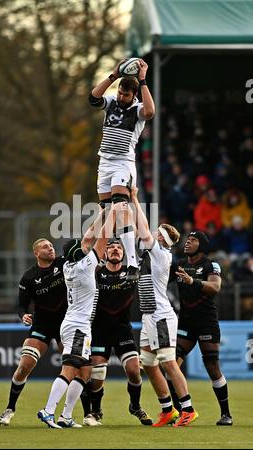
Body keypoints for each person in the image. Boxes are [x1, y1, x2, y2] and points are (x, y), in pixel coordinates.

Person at [37, 204, 118, 428]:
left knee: (85, 371)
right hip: (78, 326)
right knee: (70, 369)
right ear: (79, 253)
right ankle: (48, 410)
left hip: (75, 323)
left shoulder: (69, 265)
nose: (86, 246)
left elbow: (87, 238)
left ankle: (66, 416)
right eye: (82, 247)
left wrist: (102, 211)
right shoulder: (86, 266)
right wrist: (113, 212)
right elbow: (101, 238)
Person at [132, 188, 198, 427]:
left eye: (156, 231)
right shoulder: (158, 251)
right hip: (150, 314)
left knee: (168, 363)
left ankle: (188, 408)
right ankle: (167, 409)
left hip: (160, 315)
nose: (151, 232)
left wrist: (133, 198)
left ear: (161, 238)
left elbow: (140, 225)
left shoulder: (159, 252)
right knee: (148, 364)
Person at [89, 58, 155, 283]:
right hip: (104, 163)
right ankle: (99, 257)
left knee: (120, 205)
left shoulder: (137, 109)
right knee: (107, 212)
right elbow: (93, 98)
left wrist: (143, 80)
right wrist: (114, 75)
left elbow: (150, 111)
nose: (120, 97)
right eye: (120, 93)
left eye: (125, 95)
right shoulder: (111, 102)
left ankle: (133, 263)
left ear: (133, 95)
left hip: (122, 163)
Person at [80, 239, 152, 427]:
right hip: (99, 329)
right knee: (96, 377)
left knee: (134, 371)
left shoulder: (131, 274)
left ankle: (135, 406)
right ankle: (95, 411)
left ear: (124, 253)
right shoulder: (96, 273)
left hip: (122, 329)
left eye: (119, 247)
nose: (115, 249)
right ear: (104, 253)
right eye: (110, 247)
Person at [0, 238, 67, 426]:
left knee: (76, 367)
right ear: (36, 253)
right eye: (45, 247)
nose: (50, 248)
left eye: (51, 246)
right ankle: (10, 408)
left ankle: (82, 414)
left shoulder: (63, 263)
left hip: (66, 323)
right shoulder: (29, 277)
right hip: (42, 324)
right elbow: (21, 305)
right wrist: (23, 316)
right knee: (24, 366)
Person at [168, 231, 233, 426]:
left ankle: (226, 414)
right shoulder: (179, 264)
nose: (188, 242)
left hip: (206, 322)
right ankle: (182, 412)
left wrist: (192, 281)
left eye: (193, 240)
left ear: (202, 245)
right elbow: (159, 277)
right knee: (171, 366)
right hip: (185, 322)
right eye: (187, 239)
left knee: (212, 367)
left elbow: (215, 287)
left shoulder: (210, 265)